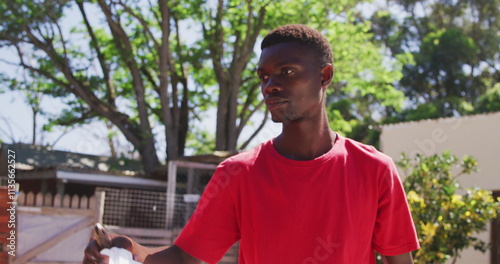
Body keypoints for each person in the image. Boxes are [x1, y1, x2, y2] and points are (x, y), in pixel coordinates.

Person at [84, 24, 419, 264]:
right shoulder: (238, 173)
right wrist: (124, 250)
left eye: (286, 71)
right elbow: (187, 257)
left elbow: (397, 261)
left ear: (325, 76)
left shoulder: (373, 170)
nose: (270, 85)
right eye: (264, 76)